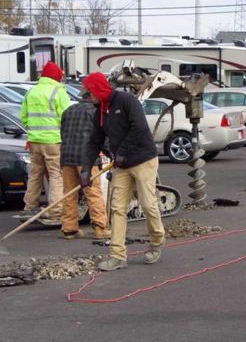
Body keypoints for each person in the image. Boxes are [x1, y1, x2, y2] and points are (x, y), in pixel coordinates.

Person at [81, 72, 165, 271]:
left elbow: (139, 128)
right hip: (122, 165)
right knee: (117, 208)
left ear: (99, 89)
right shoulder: (99, 111)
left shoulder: (126, 100)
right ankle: (118, 255)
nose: (86, 96)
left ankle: (157, 240)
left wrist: (123, 152)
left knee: (147, 203)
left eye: (89, 92)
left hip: (143, 159)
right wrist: (86, 168)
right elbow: (95, 141)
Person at [21, 62, 71, 221]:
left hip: (34, 141)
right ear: (56, 76)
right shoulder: (58, 91)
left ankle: (29, 207)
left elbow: (24, 117)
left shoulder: (31, 92)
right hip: (53, 141)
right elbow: (67, 117)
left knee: (35, 174)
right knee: (56, 175)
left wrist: (34, 132)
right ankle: (56, 210)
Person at [60, 90, 111, 240]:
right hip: (86, 160)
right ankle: (100, 227)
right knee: (93, 192)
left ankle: (69, 229)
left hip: (67, 157)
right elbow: (102, 137)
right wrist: (111, 153)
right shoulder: (95, 112)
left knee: (69, 193)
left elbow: (63, 134)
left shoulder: (68, 111)